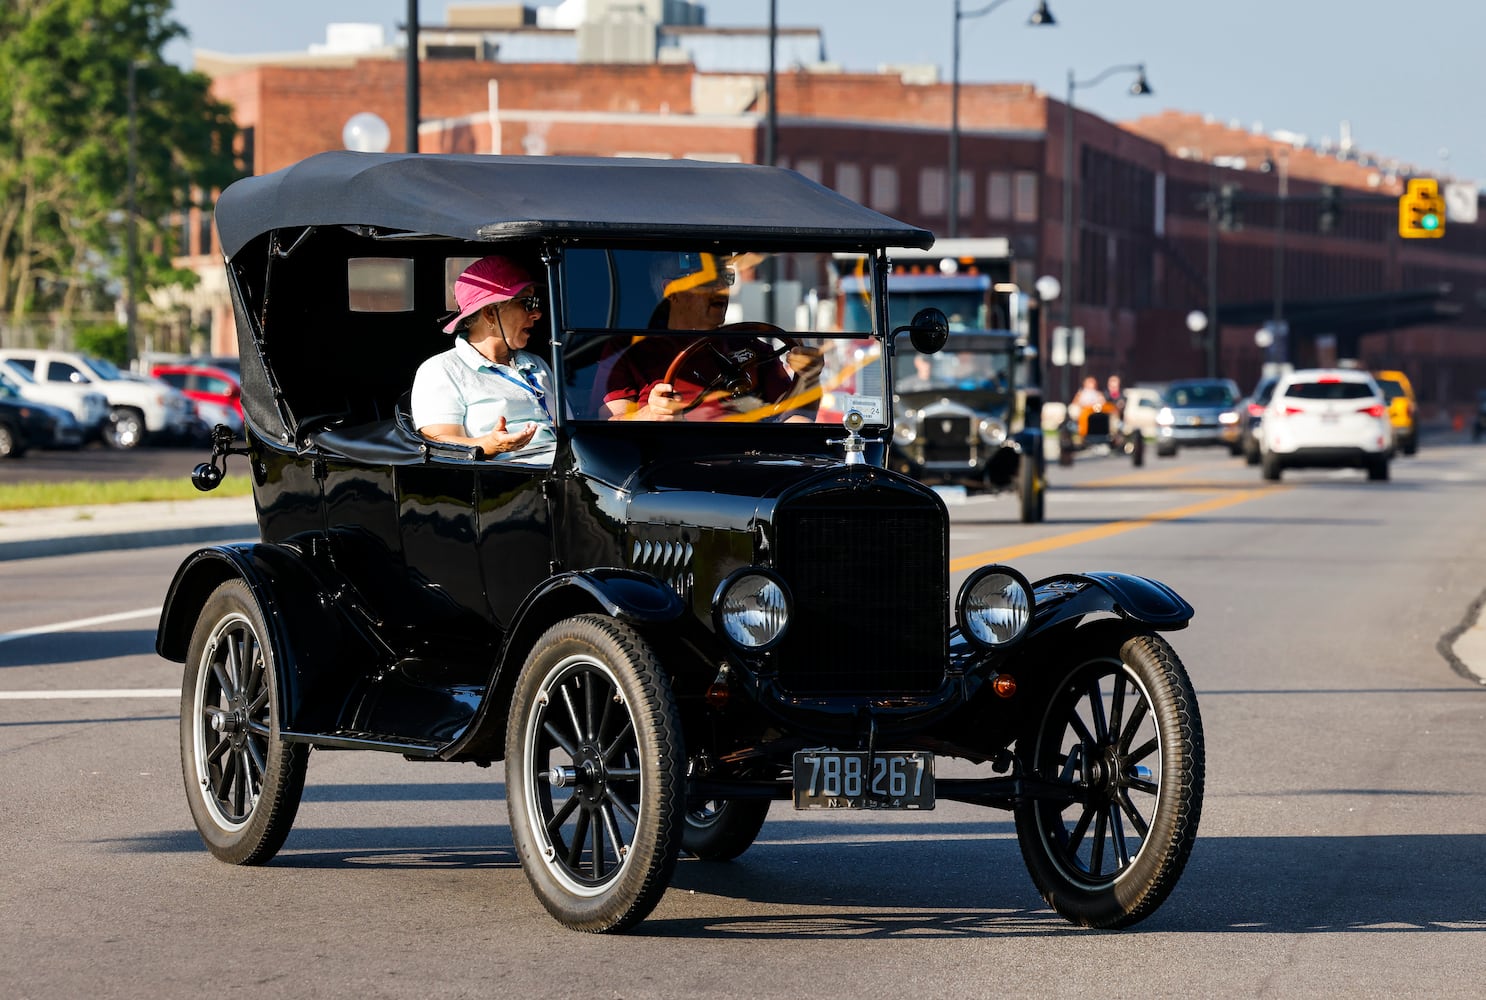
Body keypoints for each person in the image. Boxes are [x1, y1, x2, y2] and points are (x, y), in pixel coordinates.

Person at [600, 252, 822, 422]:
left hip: (751, 463)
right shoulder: (629, 350)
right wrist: (649, 414)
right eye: (707, 280)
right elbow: (608, 425)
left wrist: (808, 377)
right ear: (672, 291)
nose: (721, 288)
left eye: (725, 278)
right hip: (669, 467)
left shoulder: (749, 345)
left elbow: (792, 418)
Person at [410, 255, 556, 461]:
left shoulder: (536, 363)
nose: (537, 313)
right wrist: (491, 445)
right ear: (489, 313)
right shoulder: (441, 369)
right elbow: (437, 442)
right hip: (513, 481)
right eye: (527, 303)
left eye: (536, 302)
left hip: (568, 469)